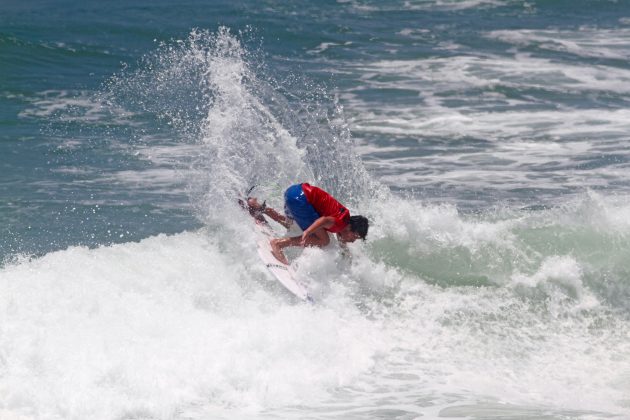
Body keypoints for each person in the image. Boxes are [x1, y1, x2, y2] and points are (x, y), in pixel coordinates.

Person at [246, 183, 369, 264]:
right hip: (302, 200)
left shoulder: (343, 220)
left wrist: (346, 253)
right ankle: (278, 244)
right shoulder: (340, 223)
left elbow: (339, 235)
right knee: (324, 240)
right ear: (351, 229)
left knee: (292, 224)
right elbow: (324, 221)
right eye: (355, 237)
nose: (353, 241)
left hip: (294, 192)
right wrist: (308, 232)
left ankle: (255, 205)